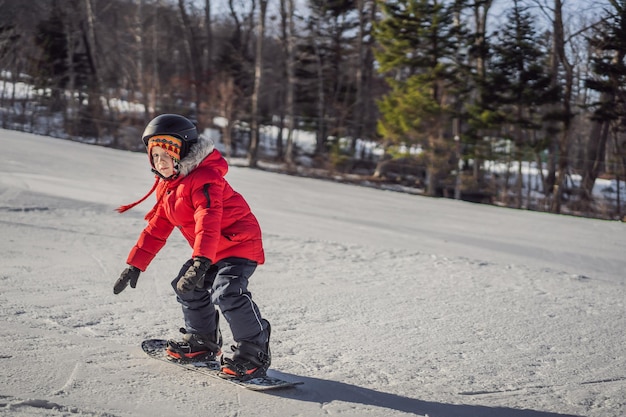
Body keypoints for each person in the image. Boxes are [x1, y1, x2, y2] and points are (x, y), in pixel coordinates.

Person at [113, 113, 270, 381]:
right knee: (186, 286)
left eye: (167, 154)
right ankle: (202, 340)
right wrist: (135, 264)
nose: (161, 162)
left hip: (237, 244)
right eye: (155, 156)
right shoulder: (170, 186)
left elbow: (208, 221)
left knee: (227, 291)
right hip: (210, 251)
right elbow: (157, 227)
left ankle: (253, 350)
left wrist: (200, 262)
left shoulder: (205, 179)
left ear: (184, 152)